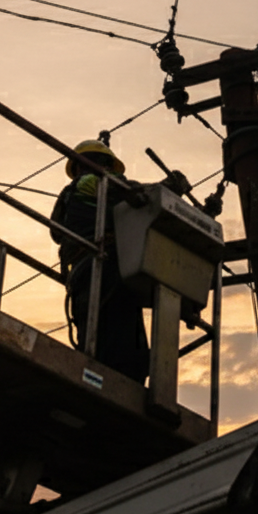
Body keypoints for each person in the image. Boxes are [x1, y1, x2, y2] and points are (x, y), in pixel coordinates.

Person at [50, 140, 151, 383]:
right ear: (102, 164)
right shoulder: (100, 182)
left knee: (93, 336)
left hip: (82, 275)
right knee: (122, 341)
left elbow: (55, 232)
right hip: (107, 268)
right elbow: (144, 196)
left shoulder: (68, 195)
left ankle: (95, 380)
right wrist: (171, 186)